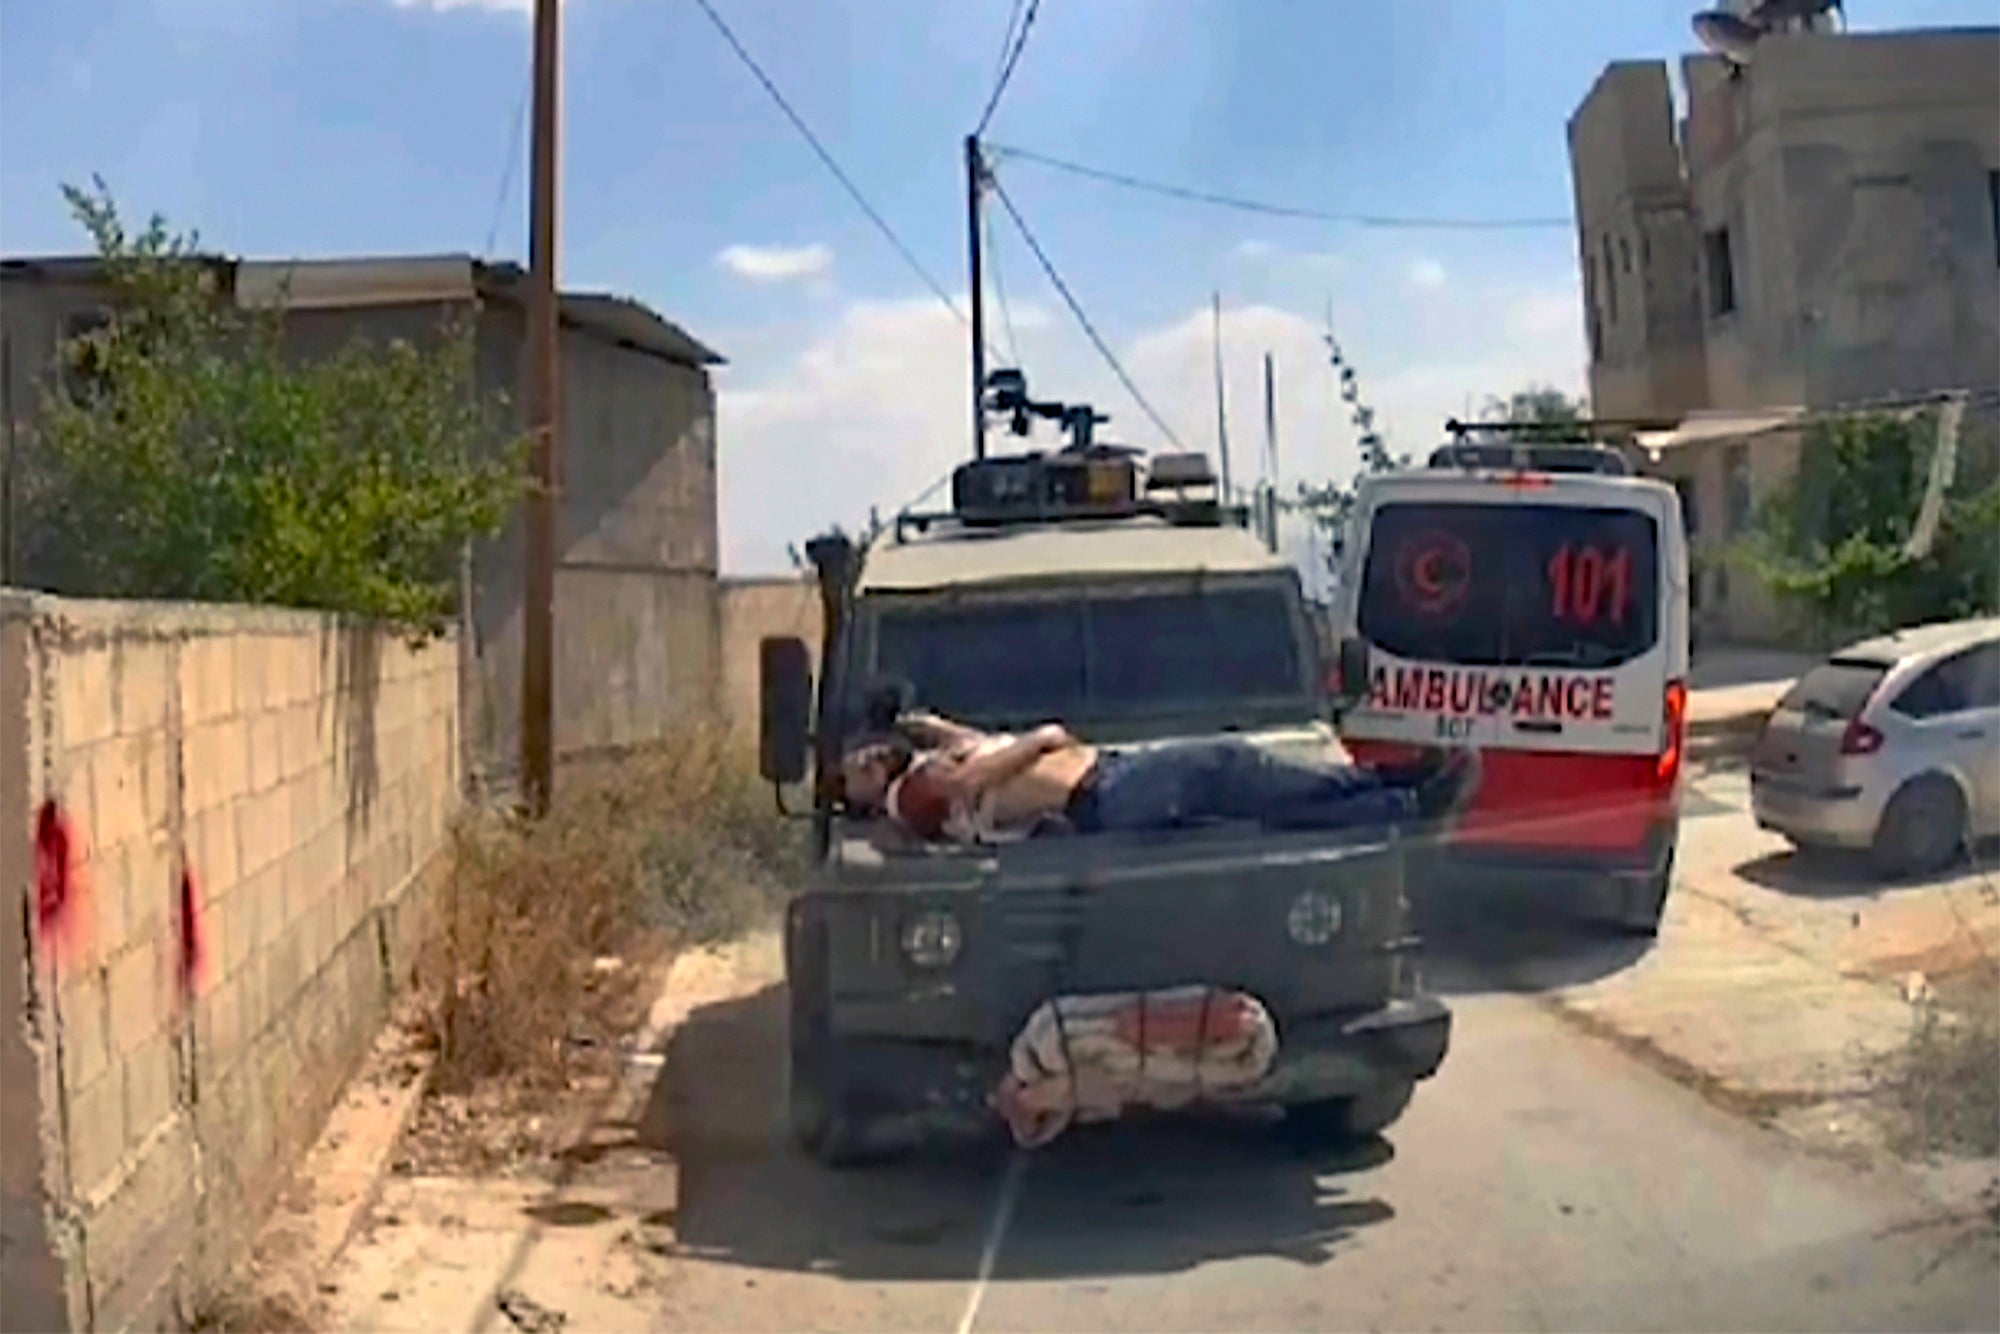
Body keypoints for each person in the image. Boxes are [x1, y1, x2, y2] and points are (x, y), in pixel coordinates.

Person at [839, 709, 1480, 845]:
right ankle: (1400, 800)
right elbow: (971, 779)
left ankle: (1397, 790)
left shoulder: (924, 761)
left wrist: (925, 724)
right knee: (1231, 766)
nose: (866, 763)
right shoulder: (913, 796)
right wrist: (1044, 738)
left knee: (1260, 806)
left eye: (865, 755)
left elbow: (970, 745)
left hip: (1110, 779)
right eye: (855, 774)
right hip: (1100, 798)